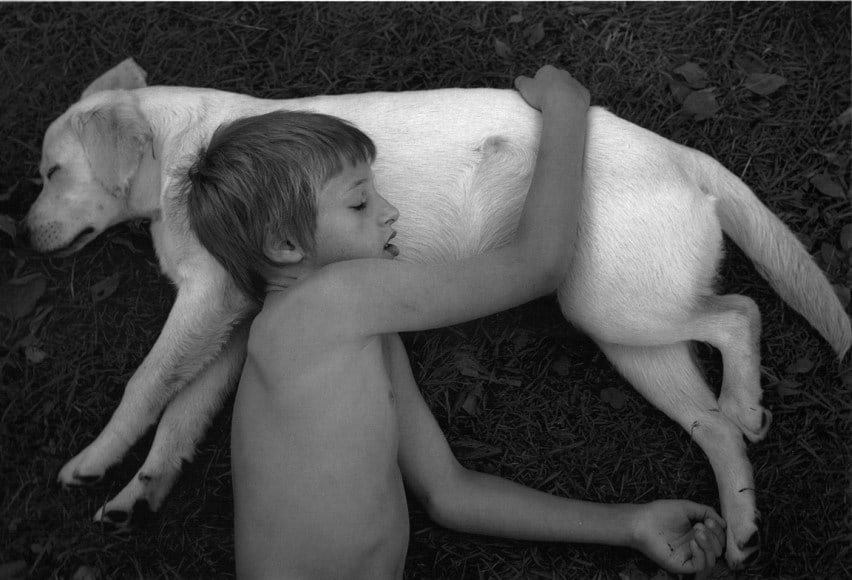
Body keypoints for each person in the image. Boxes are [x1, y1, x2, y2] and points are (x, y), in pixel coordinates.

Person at [180, 65, 725, 580]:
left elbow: (449, 492)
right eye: (360, 202)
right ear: (285, 245)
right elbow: (536, 264)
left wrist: (631, 525)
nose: (390, 211)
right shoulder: (334, 298)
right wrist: (565, 112)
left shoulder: (346, 337)